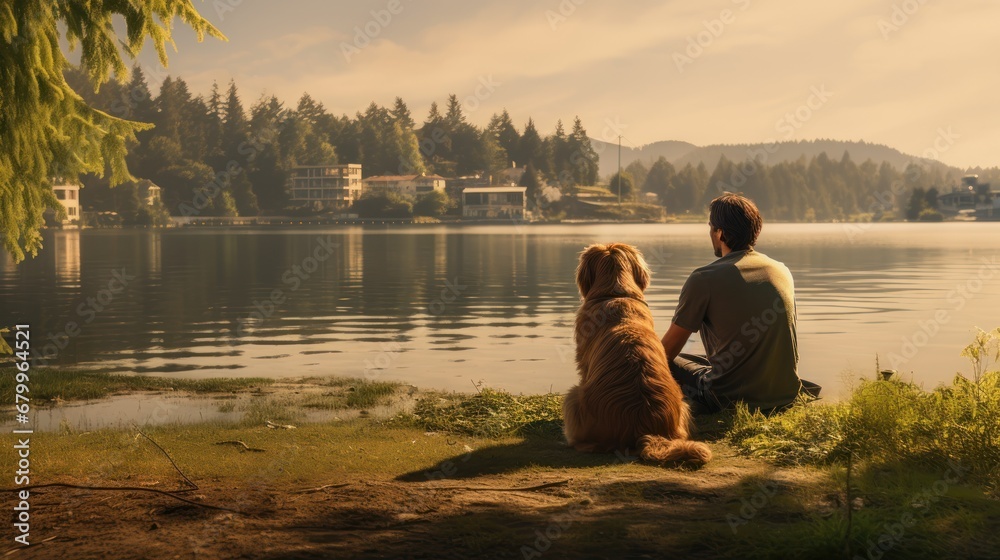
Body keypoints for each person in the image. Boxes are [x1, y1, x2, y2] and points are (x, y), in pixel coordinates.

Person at [660, 193, 816, 413]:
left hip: (730, 399)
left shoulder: (704, 278)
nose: (710, 233)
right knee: (695, 358)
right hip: (786, 393)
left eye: (710, 227)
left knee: (660, 359)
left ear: (720, 232)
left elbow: (666, 351)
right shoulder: (781, 270)